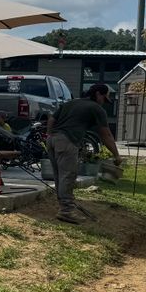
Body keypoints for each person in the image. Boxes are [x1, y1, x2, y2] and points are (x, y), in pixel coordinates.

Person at [46, 83, 123, 223]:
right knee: (68, 176)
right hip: (67, 141)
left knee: (59, 176)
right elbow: (106, 135)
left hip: (52, 140)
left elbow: (52, 119)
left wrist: (50, 135)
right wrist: (116, 155)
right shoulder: (96, 108)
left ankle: (64, 205)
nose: (104, 103)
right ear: (98, 94)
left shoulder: (71, 103)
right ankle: (66, 211)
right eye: (104, 99)